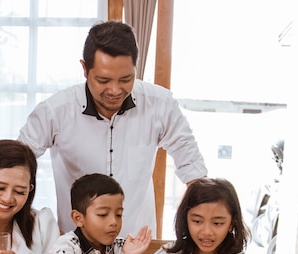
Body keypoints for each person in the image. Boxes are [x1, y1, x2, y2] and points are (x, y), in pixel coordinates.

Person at [17, 20, 207, 236]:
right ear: (84, 69)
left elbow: (193, 169)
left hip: (137, 245)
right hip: (75, 249)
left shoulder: (160, 104)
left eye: (126, 79)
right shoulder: (55, 111)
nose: (115, 90)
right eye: (103, 80)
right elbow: (14, 164)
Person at [44, 173, 152, 254]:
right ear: (78, 218)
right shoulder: (68, 243)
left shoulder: (121, 248)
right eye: (103, 215)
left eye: (119, 214)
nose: (114, 222)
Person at [144, 178, 260, 254]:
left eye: (217, 223)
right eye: (197, 221)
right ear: (185, 219)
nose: (207, 232)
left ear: (231, 223)